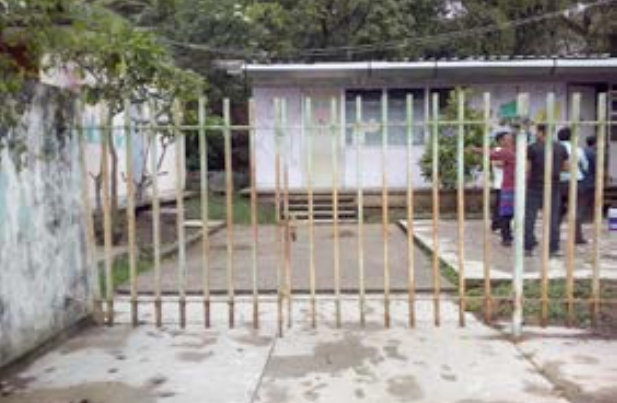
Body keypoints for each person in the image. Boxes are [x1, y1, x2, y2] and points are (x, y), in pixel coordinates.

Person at [524, 124, 569, 256]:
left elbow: (527, 169)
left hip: (534, 186)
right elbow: (567, 167)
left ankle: (528, 247)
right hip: (554, 186)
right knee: (553, 218)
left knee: (530, 218)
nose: (535, 134)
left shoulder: (532, 148)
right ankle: (553, 248)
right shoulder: (560, 147)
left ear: (540, 132)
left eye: (537, 131)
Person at [557, 127, 589, 244]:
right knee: (576, 209)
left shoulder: (553, 148)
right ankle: (577, 237)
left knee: (556, 209)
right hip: (576, 181)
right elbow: (585, 166)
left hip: (558, 182)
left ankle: (553, 236)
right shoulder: (577, 149)